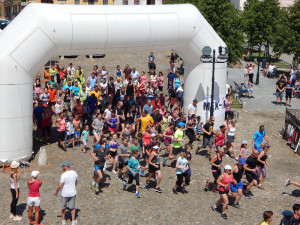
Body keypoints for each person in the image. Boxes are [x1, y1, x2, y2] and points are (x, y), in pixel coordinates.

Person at [54, 161, 78, 225]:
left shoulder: (63, 175)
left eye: (62, 166)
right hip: (72, 193)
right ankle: (73, 221)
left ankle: (63, 220)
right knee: (72, 208)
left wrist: (56, 192)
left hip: (64, 194)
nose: (62, 167)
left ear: (65, 166)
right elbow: (76, 182)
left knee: (63, 208)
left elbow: (60, 185)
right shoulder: (74, 173)